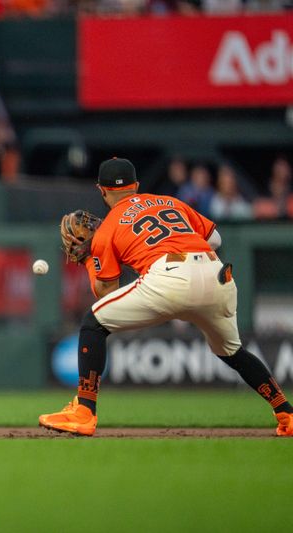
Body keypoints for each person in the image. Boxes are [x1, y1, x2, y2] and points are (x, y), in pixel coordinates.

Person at [39, 158, 293, 437]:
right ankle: (286, 414)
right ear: (136, 186)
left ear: (101, 190)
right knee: (233, 352)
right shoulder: (169, 202)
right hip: (216, 274)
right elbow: (216, 239)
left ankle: (84, 412)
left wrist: (89, 258)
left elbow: (105, 291)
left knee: (93, 322)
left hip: (169, 276)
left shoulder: (109, 227)